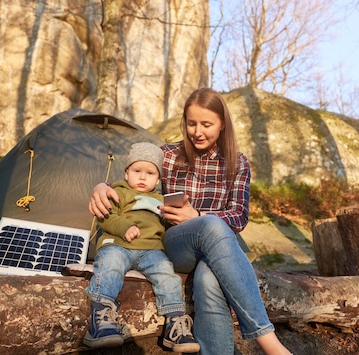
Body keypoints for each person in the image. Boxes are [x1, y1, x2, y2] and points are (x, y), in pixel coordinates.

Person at [89, 88, 292, 354]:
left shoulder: (237, 163)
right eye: (191, 123)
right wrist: (101, 186)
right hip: (175, 245)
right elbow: (134, 179)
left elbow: (240, 216)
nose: (197, 131)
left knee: (209, 277)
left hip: (217, 251)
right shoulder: (169, 155)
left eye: (206, 124)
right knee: (210, 225)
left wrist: (196, 216)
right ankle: (271, 344)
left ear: (222, 125)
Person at [84, 142, 200, 353]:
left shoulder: (162, 201)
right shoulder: (118, 191)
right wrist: (124, 226)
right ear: (127, 173)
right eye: (137, 171)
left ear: (158, 179)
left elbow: (167, 228)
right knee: (110, 264)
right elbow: (105, 216)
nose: (142, 177)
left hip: (151, 251)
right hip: (119, 245)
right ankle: (101, 317)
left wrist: (179, 221)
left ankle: (175, 323)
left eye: (150, 173)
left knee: (167, 273)